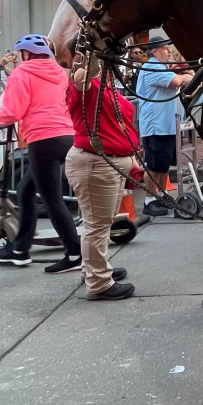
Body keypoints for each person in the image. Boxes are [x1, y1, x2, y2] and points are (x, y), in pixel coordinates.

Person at [0, 34, 82, 272]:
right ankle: (20, 249)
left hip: (43, 139)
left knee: (52, 200)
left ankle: (75, 254)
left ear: (25, 54)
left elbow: (11, 112)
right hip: (67, 136)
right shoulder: (59, 73)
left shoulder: (22, 73)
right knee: (25, 190)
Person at [64, 38, 137, 300]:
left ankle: (95, 269)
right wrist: (91, 51)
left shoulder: (104, 85)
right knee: (97, 224)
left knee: (100, 222)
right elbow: (84, 74)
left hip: (108, 162)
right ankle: (98, 283)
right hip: (96, 162)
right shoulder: (83, 82)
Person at [135, 35, 192, 216]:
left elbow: (182, 79)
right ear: (155, 51)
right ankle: (149, 199)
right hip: (156, 126)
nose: (169, 51)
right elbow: (176, 81)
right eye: (165, 49)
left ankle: (161, 194)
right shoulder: (152, 66)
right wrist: (185, 75)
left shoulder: (162, 67)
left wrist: (184, 76)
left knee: (164, 164)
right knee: (154, 164)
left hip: (166, 125)